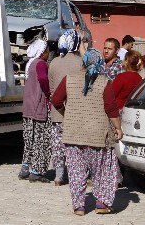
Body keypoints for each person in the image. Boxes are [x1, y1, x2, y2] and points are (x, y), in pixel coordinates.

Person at [51, 47, 122, 216]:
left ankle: (79, 207)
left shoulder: (69, 79)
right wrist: (118, 128)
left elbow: (56, 100)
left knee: (76, 172)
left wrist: (65, 113)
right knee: (103, 170)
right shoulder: (104, 82)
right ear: (99, 63)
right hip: (99, 135)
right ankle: (102, 204)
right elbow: (111, 109)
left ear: (83, 62)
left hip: (73, 134)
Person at [47, 29, 82, 186]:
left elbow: (51, 88)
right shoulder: (81, 63)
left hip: (57, 111)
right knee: (75, 145)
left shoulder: (53, 63)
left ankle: (59, 176)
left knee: (57, 144)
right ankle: (77, 174)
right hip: (76, 111)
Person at [19, 39, 52, 183]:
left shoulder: (30, 63)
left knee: (29, 140)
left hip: (28, 107)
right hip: (38, 107)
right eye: (47, 50)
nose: (48, 53)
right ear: (42, 52)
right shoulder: (40, 64)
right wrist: (49, 92)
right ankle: (36, 171)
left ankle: (25, 168)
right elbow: (44, 79)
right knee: (41, 140)